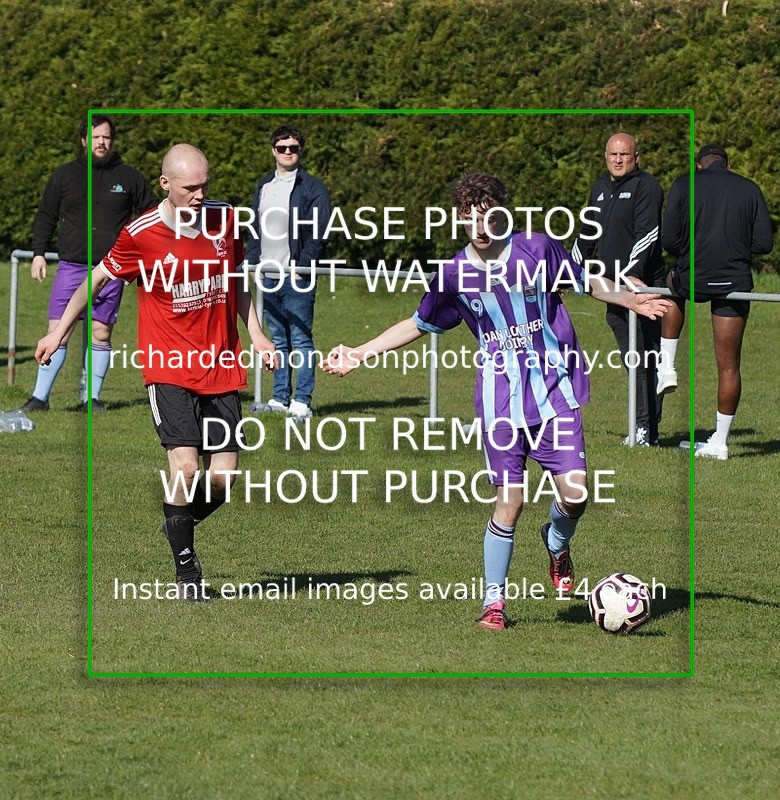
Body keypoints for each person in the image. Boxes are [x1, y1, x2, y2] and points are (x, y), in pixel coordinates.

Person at [323, 172, 672, 630]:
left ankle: (556, 539)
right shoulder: (453, 275)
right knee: (510, 501)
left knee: (577, 492)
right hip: (499, 402)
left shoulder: (537, 249)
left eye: (486, 215)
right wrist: (360, 353)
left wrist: (632, 300)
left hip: (553, 392)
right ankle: (494, 604)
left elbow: (587, 280)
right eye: (469, 217)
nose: (479, 226)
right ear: (459, 219)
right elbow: (417, 323)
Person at [36, 144, 277, 601]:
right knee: (185, 468)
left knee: (224, 480)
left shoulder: (225, 219)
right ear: (165, 183)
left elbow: (236, 282)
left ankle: (175, 523)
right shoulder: (140, 233)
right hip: (168, 367)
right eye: (190, 188)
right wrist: (60, 333)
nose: (200, 195)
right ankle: (188, 573)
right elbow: (96, 280)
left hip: (221, 364)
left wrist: (258, 336)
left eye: (205, 185)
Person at [23, 115, 158, 412]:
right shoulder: (63, 176)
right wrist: (37, 254)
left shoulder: (130, 178)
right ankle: (39, 398)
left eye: (107, 137)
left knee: (100, 332)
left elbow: (152, 216)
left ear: (113, 140)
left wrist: (145, 256)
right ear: (84, 140)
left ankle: (91, 399)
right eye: (96, 137)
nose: (102, 142)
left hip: (111, 269)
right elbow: (45, 215)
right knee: (59, 329)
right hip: (71, 267)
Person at [660, 144, 773, 460]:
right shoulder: (749, 189)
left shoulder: (684, 184)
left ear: (700, 166)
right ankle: (720, 443)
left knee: (668, 287)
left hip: (691, 279)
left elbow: (668, 240)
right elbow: (764, 244)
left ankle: (667, 366)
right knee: (729, 365)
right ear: (727, 165)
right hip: (734, 284)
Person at [572, 132, 665, 446]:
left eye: (624, 155)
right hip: (611, 291)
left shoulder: (646, 187)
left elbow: (648, 234)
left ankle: (645, 430)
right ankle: (644, 426)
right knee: (632, 360)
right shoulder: (599, 188)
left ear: (636, 157)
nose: (618, 160)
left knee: (644, 360)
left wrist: (633, 274)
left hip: (643, 290)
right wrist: (567, 270)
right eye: (613, 154)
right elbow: (587, 234)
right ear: (606, 156)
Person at [246, 124, 331, 419]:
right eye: (282, 148)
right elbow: (254, 227)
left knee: (301, 339)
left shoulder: (312, 187)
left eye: (293, 148)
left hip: (297, 276)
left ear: (300, 151)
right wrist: (253, 261)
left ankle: (302, 401)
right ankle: (280, 398)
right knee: (277, 340)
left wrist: (302, 265)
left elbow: (319, 230)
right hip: (267, 274)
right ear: (273, 151)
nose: (287, 153)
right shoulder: (264, 185)